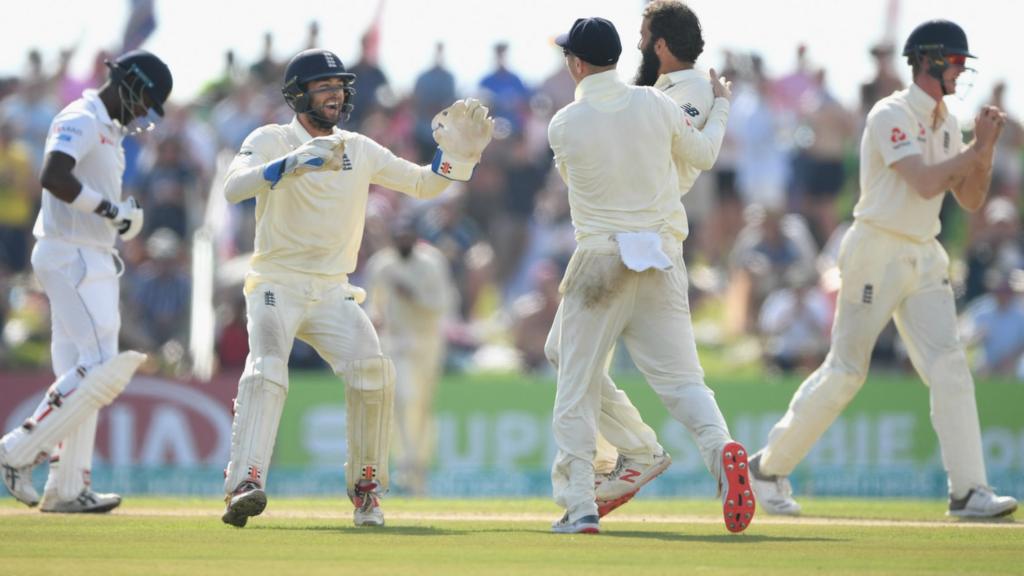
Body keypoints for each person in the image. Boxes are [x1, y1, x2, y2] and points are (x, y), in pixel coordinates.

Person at [748, 20, 1019, 519]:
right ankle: (766, 468)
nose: (961, 72)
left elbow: (971, 197)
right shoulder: (890, 113)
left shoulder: (947, 123)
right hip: (876, 250)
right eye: (955, 62)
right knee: (847, 371)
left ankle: (968, 491)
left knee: (950, 367)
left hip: (924, 252)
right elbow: (921, 181)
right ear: (930, 61)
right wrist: (974, 150)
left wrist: (986, 150)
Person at [219, 48, 493, 528]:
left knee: (373, 371)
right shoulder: (271, 138)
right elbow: (233, 188)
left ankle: (366, 488)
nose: (335, 95)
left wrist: (458, 160)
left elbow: (423, 184)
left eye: (339, 86)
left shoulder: (359, 147)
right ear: (297, 94)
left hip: (331, 289)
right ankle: (246, 481)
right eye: (323, 87)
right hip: (276, 282)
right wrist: (291, 162)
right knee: (266, 369)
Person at [545, 16, 753, 535]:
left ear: (575, 63)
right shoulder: (656, 104)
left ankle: (581, 505)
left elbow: (573, 178)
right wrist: (721, 103)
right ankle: (720, 450)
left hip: (600, 262)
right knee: (683, 381)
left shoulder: (564, 124)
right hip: (659, 256)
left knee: (574, 386)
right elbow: (703, 154)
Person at [0, 50, 172, 513]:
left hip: (90, 255)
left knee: (82, 372)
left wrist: (119, 223)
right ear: (129, 83)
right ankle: (15, 451)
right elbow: (53, 175)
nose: (142, 113)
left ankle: (68, 487)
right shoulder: (80, 114)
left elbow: (87, 193)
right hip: (68, 253)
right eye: (144, 101)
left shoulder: (110, 130)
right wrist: (111, 211)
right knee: (100, 368)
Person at [365, 218, 454, 495]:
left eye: (408, 236)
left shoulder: (432, 263)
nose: (403, 241)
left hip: (426, 345)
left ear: (416, 238)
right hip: (396, 345)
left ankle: (419, 470)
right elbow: (372, 306)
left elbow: (441, 305)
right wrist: (375, 319)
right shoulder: (382, 265)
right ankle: (405, 466)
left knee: (422, 408)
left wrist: (411, 294)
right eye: (399, 237)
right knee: (403, 401)